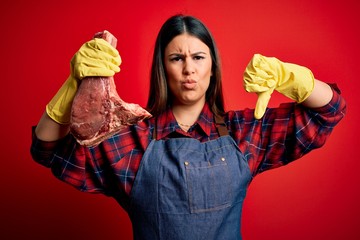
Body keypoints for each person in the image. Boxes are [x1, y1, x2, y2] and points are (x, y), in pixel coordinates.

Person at [30, 14, 346, 239]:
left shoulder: (243, 133)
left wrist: (294, 79)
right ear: (162, 67)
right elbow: (48, 150)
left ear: (212, 67)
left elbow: (329, 111)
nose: (189, 69)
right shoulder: (132, 140)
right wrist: (72, 87)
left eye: (198, 56)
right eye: (176, 58)